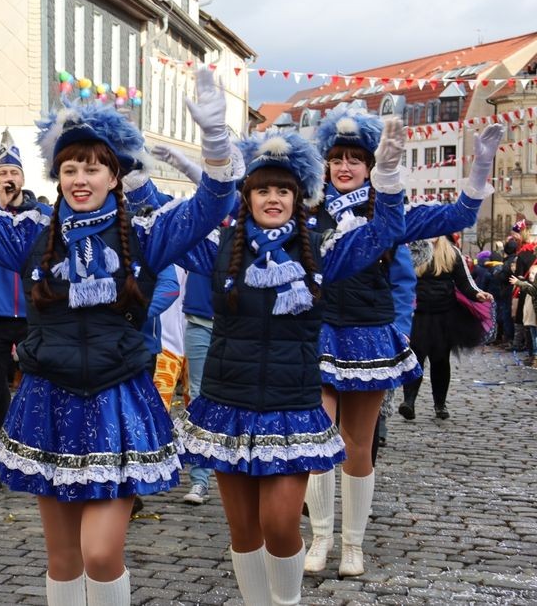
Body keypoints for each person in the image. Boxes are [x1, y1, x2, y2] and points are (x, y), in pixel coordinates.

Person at [0, 68, 237, 605]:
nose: (81, 178)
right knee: (63, 558)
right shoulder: (31, 235)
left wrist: (215, 144)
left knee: (100, 554)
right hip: (48, 399)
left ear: (114, 177)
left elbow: (211, 208)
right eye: (70, 168)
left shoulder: (145, 235)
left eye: (93, 169)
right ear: (57, 176)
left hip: (120, 400)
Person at [176, 126, 406, 605]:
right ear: (248, 196)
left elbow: (385, 234)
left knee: (280, 524)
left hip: (292, 402)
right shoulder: (222, 249)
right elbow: (174, 231)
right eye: (263, 189)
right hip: (228, 403)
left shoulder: (320, 249)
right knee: (243, 531)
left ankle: (307, 578)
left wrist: (386, 176)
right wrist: (207, 165)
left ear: (298, 197)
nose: (273, 197)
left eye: (283, 189)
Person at [301, 106, 501, 577]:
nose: (344, 167)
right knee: (315, 438)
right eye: (336, 158)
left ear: (372, 166)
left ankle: (352, 545)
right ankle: (320, 538)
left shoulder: (388, 212)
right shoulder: (308, 211)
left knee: (357, 442)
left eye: (355, 159)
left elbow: (455, 213)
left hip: (370, 334)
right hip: (319, 333)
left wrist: (480, 167)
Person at [0, 129, 52, 494]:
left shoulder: (41, 214)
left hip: (34, 314)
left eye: (14, 173)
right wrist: (1, 209)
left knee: (43, 391)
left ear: (23, 178)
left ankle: (42, 461)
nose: (9, 178)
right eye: (3, 173)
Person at [403, 235, 494, 418]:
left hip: (444, 315)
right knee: (415, 359)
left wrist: (478, 294)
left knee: (440, 360)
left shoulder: (452, 253)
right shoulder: (412, 251)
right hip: (419, 315)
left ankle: (440, 404)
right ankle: (409, 402)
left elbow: (465, 283)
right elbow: (401, 280)